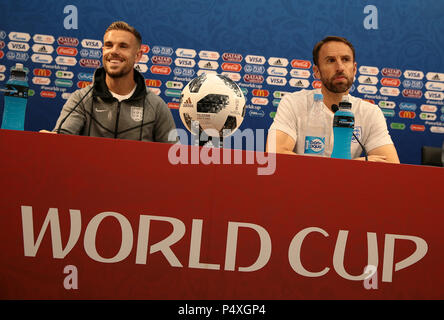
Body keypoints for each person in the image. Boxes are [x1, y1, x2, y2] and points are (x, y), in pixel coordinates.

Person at [266, 36, 400, 163]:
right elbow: (275, 153)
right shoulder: (294, 103)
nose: (340, 67)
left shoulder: (370, 112)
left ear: (354, 69)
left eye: (346, 59)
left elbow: (391, 165)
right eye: (331, 60)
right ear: (316, 71)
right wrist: (348, 166)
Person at [40, 21, 177, 142]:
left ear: (137, 55)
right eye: (109, 45)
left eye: (123, 46)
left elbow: (172, 155)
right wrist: (53, 140)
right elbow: (62, 139)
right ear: (103, 50)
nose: (114, 51)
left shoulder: (156, 106)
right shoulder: (81, 99)